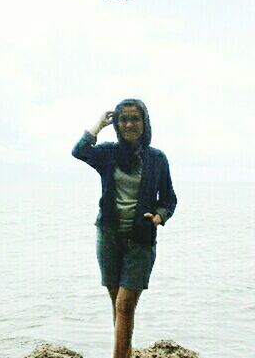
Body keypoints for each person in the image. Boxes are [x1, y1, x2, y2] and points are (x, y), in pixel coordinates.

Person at [71, 99, 177, 358]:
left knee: (124, 305)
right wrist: (98, 125)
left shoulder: (157, 159)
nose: (129, 124)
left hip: (140, 240)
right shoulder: (108, 153)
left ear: (145, 122)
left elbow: (169, 199)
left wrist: (159, 217)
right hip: (108, 237)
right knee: (118, 304)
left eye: (135, 118)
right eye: (123, 119)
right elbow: (79, 151)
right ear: (117, 124)